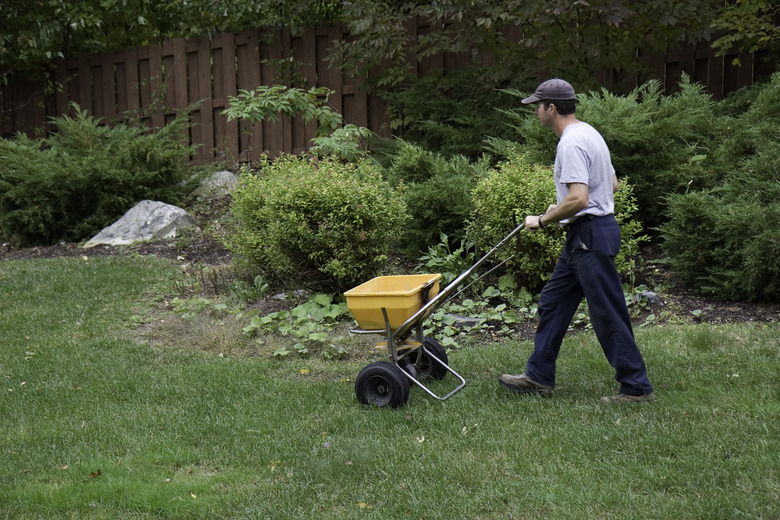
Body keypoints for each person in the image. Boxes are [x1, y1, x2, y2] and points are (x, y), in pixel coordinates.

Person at [499, 78, 655, 402]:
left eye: (537, 107)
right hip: (587, 235)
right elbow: (611, 184)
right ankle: (539, 376)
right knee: (554, 302)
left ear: (551, 108)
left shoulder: (569, 142)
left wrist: (543, 219)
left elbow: (580, 198)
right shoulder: (590, 133)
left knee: (607, 313)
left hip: (589, 236)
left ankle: (636, 386)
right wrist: (564, 209)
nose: (535, 112)